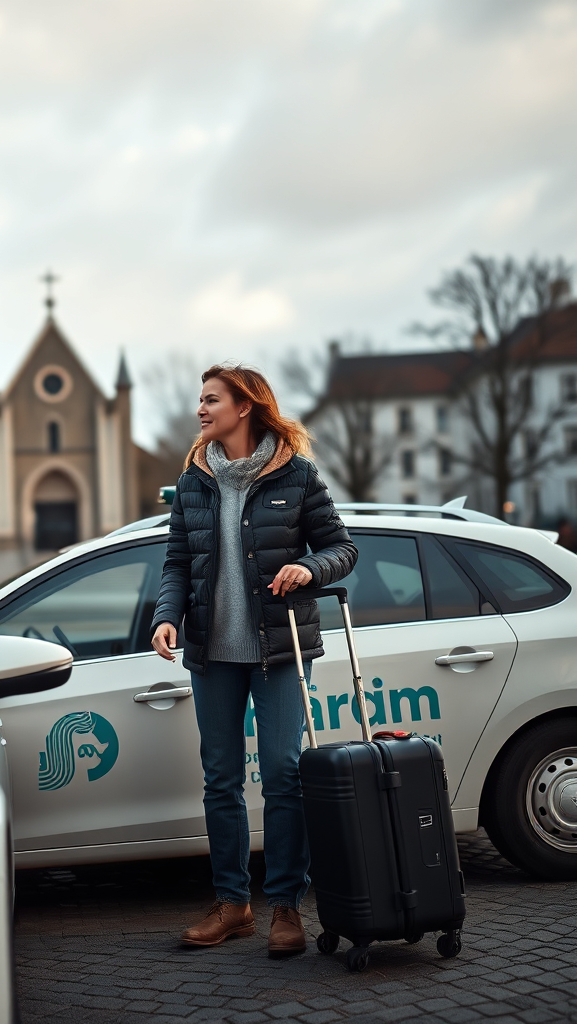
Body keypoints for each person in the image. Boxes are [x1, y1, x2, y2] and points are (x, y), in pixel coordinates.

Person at [151, 364, 357, 958]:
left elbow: (342, 548)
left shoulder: (296, 474)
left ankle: (286, 905)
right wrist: (167, 615)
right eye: (200, 400)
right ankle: (232, 904)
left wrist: (308, 569)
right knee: (221, 779)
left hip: (280, 650)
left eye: (211, 399)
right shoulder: (194, 480)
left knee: (283, 774)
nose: (200, 409)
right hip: (212, 654)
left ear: (245, 407)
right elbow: (177, 563)